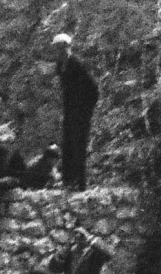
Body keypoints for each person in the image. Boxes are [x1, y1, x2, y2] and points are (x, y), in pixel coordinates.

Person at [54, 33, 99, 192]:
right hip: (69, 111)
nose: (60, 51)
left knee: (79, 145)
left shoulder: (77, 64)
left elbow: (93, 89)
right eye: (57, 48)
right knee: (67, 145)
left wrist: (85, 110)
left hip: (80, 113)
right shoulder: (60, 66)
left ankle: (80, 184)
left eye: (62, 48)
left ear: (68, 47)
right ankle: (68, 181)